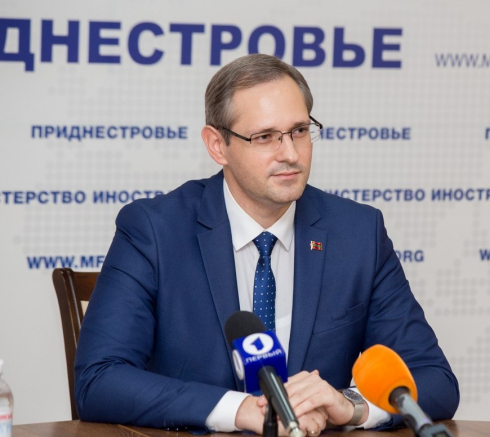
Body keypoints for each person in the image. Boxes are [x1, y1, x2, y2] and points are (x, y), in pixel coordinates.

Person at [74, 54, 459, 435]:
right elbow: (100, 379)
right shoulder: (155, 231)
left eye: (299, 131)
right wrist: (241, 409)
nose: (290, 154)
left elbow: (434, 378)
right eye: (264, 137)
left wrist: (349, 406)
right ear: (217, 145)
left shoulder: (358, 234)